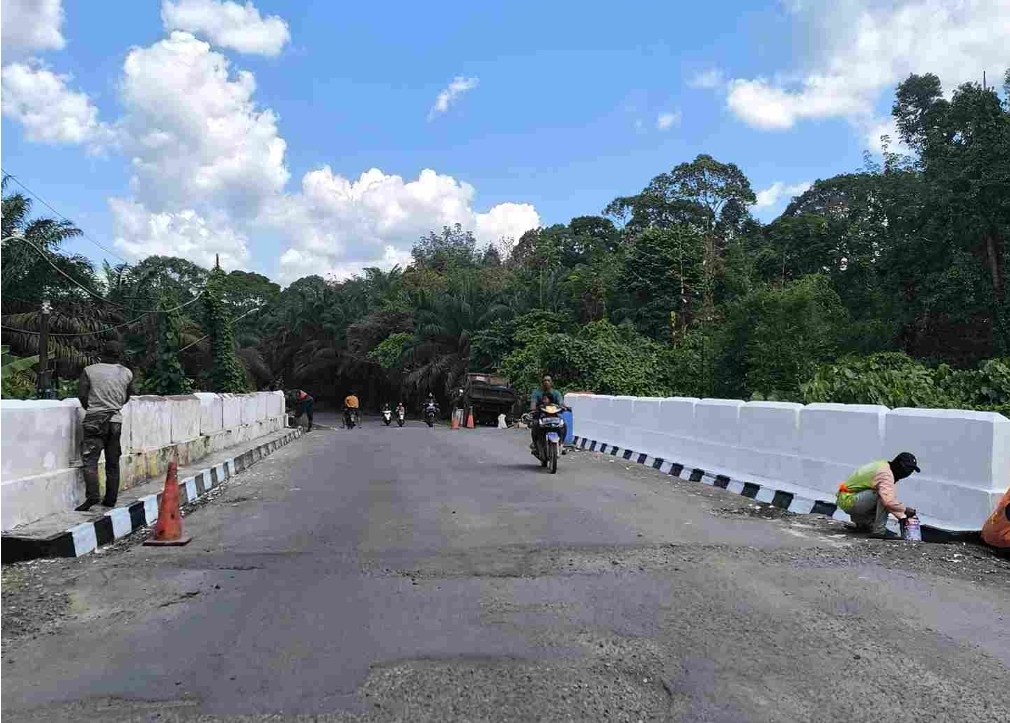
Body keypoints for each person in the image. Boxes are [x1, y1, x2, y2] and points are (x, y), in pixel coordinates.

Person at [76, 341, 135, 511]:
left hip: (94, 419)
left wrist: (93, 409)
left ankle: (93, 496)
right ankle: (110, 499)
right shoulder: (126, 373)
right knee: (112, 462)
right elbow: (127, 397)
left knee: (90, 460)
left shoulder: (89, 370)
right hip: (115, 421)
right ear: (119, 355)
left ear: (101, 353)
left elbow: (82, 395)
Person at [836, 452, 920, 539]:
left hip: (846, 498)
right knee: (883, 497)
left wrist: (900, 515)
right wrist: (904, 511)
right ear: (900, 465)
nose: (909, 473)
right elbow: (888, 501)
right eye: (908, 469)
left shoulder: (883, 466)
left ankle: (863, 525)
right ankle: (879, 531)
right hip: (849, 500)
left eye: (911, 470)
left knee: (881, 495)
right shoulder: (886, 474)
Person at [529, 374, 564, 453]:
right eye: (545, 380)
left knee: (563, 424)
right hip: (540, 415)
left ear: (551, 382)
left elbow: (561, 403)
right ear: (542, 382)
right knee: (535, 424)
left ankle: (561, 444)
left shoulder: (556, 393)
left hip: (554, 416)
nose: (546, 382)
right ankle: (535, 444)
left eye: (548, 380)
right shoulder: (536, 392)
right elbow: (533, 404)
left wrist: (564, 407)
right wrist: (533, 409)